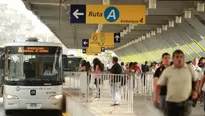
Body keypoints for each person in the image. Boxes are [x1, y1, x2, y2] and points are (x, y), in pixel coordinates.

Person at [154, 50, 198, 116]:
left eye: (181, 57)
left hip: (186, 100)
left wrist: (195, 90)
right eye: (177, 57)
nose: (179, 59)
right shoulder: (167, 70)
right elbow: (158, 84)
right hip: (170, 99)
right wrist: (156, 97)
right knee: (165, 111)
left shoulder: (189, 68)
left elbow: (196, 80)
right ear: (173, 59)